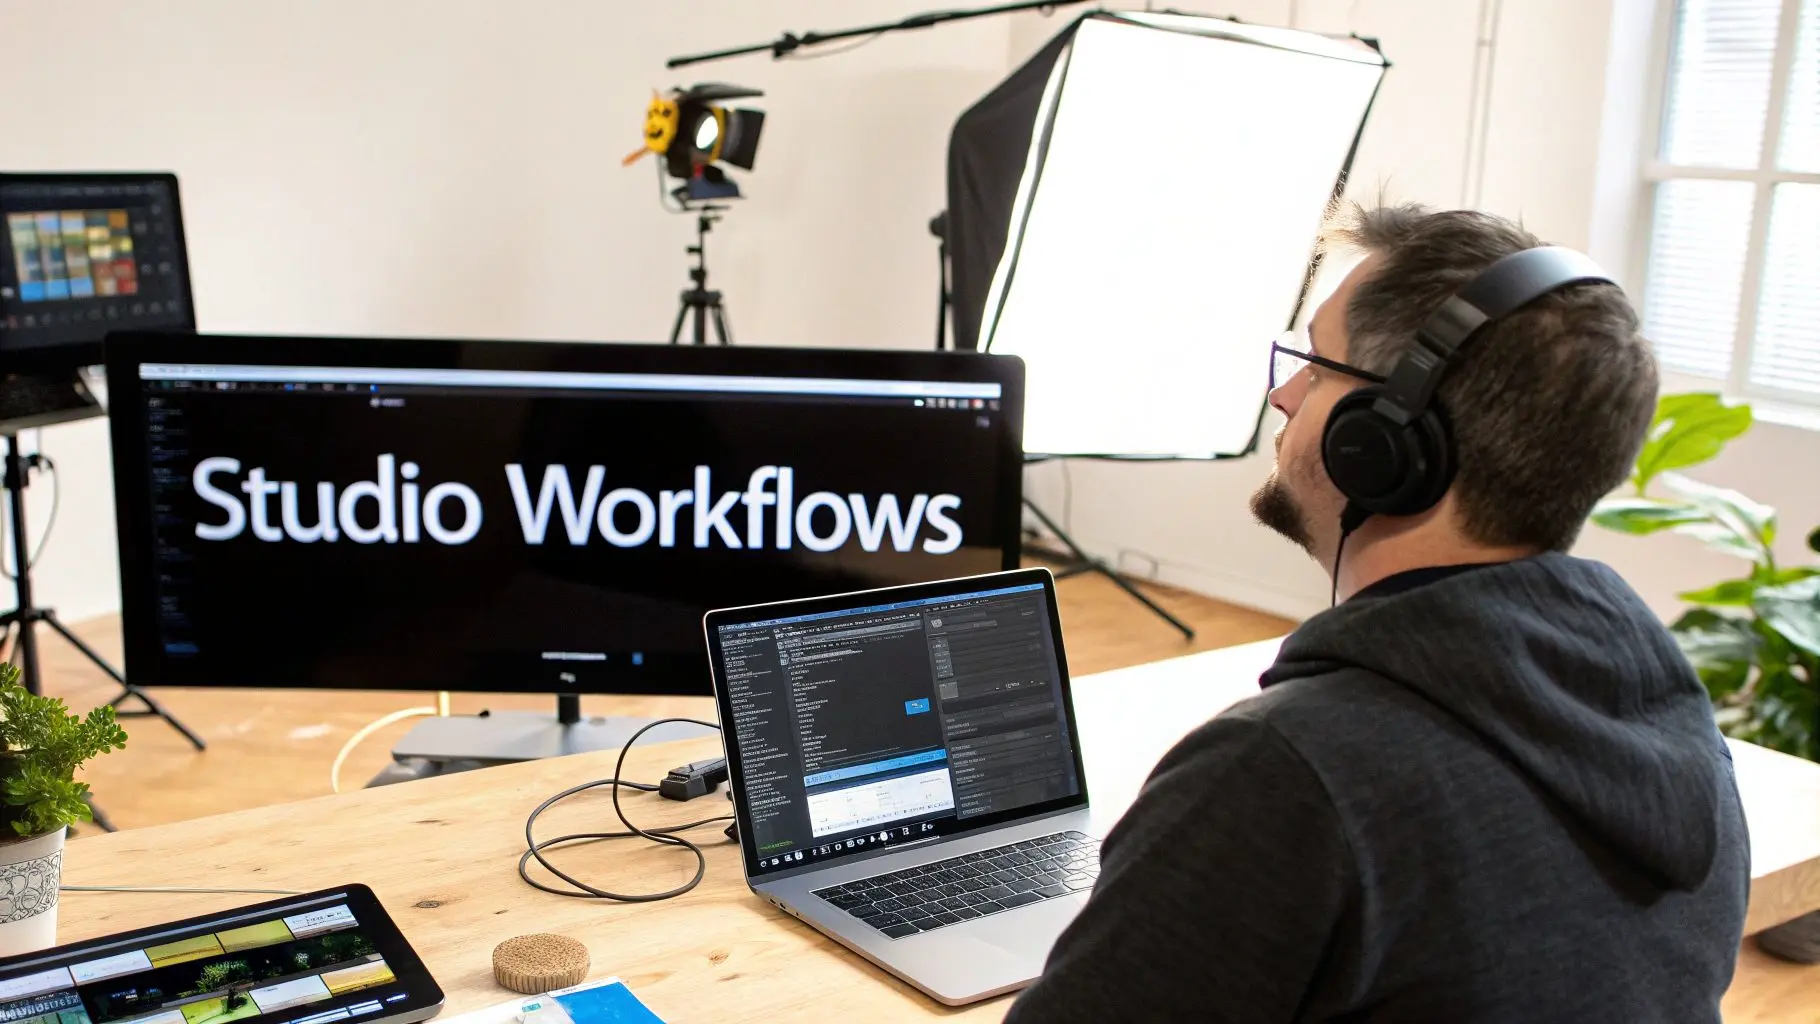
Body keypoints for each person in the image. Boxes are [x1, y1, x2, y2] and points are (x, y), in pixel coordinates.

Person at [1003, 203, 1750, 1022]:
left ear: (1388, 440)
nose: (1284, 395)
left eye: (1317, 365)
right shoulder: (1677, 730)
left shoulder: (1282, 771)